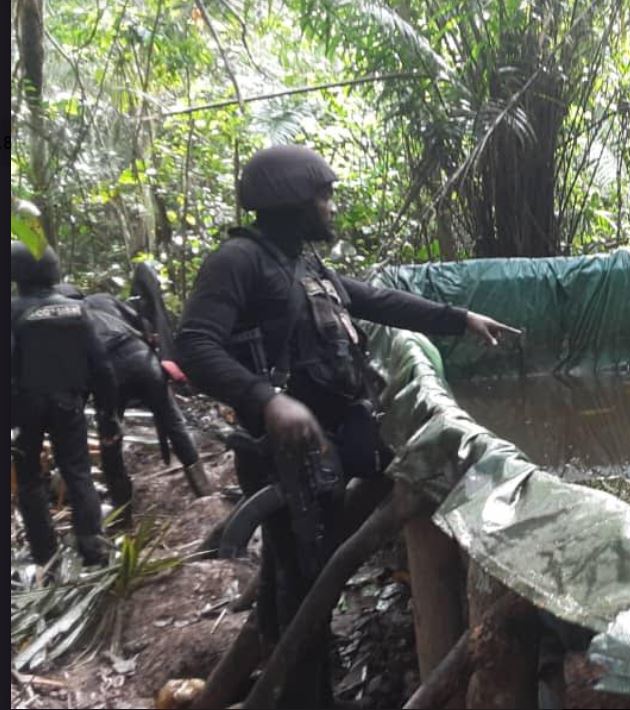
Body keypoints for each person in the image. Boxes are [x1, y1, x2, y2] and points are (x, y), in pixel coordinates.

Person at [176, 144, 518, 708]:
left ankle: (291, 684)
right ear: (291, 201)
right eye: (324, 195)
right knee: (303, 595)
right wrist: (267, 402)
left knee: (306, 587)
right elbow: (194, 344)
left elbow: (379, 301)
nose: (331, 206)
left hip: (332, 449)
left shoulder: (304, 264)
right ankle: (303, 696)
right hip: (285, 461)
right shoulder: (238, 261)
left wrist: (460, 320)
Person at [11, 242, 120, 567]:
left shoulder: (13, 311)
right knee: (78, 472)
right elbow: (102, 366)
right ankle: (92, 545)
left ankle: (46, 555)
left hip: (25, 408)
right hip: (68, 404)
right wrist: (108, 414)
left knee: (29, 479)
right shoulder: (76, 309)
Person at [73, 289, 214, 509]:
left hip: (108, 374)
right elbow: (142, 322)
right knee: (173, 422)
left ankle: (122, 509)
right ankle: (204, 490)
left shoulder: (66, 318)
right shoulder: (104, 299)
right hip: (142, 361)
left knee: (110, 439)